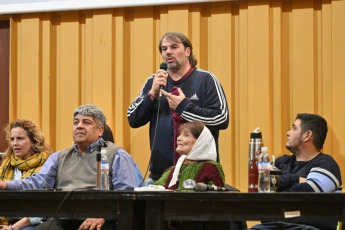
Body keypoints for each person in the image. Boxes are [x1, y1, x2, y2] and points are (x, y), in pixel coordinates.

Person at [0, 104, 143, 230]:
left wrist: (103, 215)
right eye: (76, 122)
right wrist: (6, 185)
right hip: (63, 219)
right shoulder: (59, 157)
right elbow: (37, 183)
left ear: (100, 130)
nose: (79, 126)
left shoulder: (116, 155)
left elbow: (127, 195)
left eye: (86, 122)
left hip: (102, 219)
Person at [127, 32, 229, 184]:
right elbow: (133, 119)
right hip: (159, 175)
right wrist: (152, 94)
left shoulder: (206, 79)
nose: (168, 52)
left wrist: (183, 107)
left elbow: (221, 118)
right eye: (164, 49)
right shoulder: (153, 82)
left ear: (188, 51)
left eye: (174, 47)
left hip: (198, 174)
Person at [250, 113, 342, 230]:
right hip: (274, 226)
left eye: (294, 128)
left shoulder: (326, 164)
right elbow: (264, 185)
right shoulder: (281, 162)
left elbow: (306, 194)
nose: (287, 133)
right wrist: (295, 179)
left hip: (308, 227)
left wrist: (279, 187)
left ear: (307, 135)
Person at [0, 119, 51, 230]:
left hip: (31, 222)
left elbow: (44, 207)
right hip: (6, 219)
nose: (14, 143)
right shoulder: (7, 165)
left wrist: (14, 227)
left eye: (20, 139)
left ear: (33, 141)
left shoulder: (46, 165)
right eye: (12, 139)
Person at [154, 121, 225, 190]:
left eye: (186, 135)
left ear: (200, 142)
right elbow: (154, 191)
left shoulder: (211, 168)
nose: (178, 138)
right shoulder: (172, 171)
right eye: (180, 134)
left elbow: (216, 197)